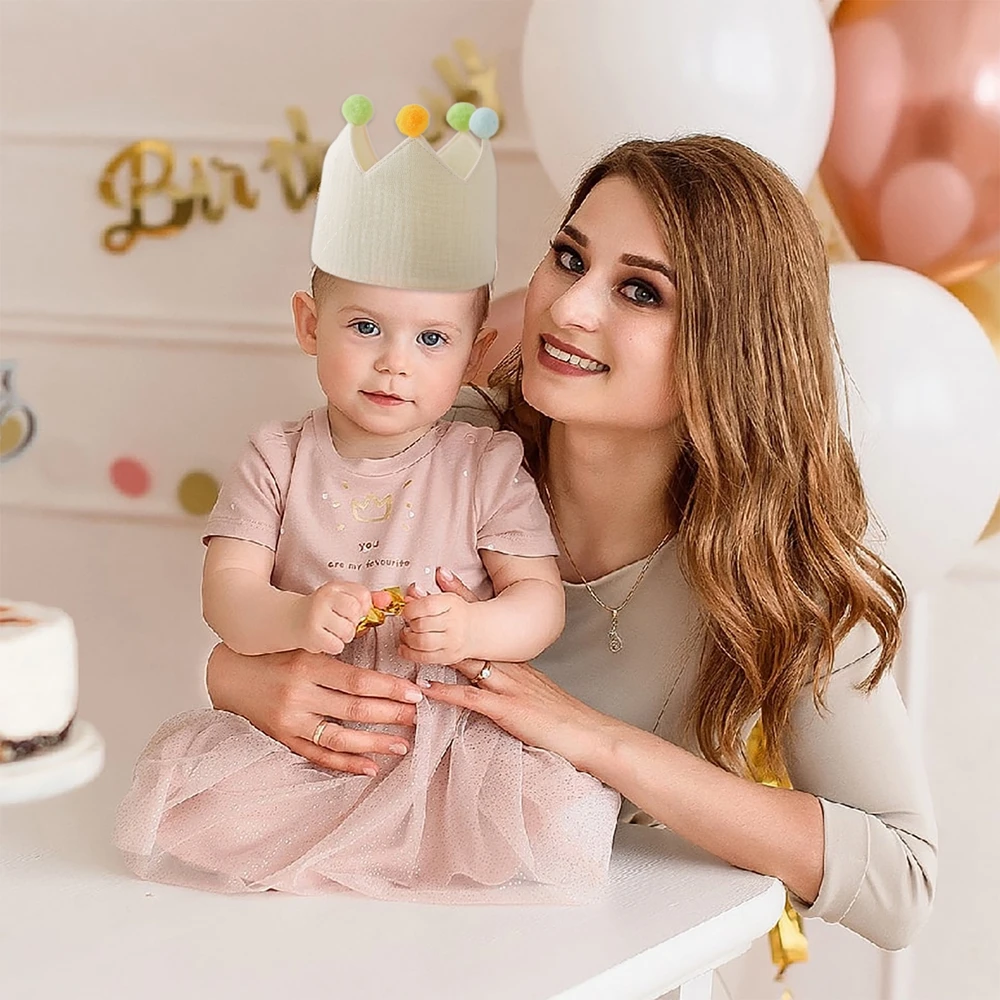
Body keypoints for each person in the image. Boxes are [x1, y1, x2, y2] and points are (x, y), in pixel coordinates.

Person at [203, 133, 937, 950]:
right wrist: (236, 677)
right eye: (568, 257)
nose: (569, 306)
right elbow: (248, 611)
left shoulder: (774, 563)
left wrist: (594, 739)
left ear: (730, 349)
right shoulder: (442, 446)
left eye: (640, 291)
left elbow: (903, 885)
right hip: (401, 944)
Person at [112, 97, 620, 902]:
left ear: (476, 353)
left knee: (553, 815)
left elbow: (540, 602)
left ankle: (425, 852)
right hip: (307, 738)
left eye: (430, 340)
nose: (393, 364)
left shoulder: (483, 462)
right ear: (309, 324)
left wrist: (475, 626)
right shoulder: (277, 456)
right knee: (201, 805)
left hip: (449, 741)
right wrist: (291, 619)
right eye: (364, 328)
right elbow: (226, 593)